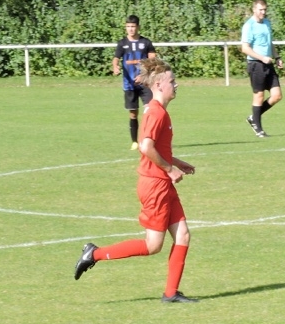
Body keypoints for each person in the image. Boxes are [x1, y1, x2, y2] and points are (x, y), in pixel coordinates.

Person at [74, 58, 198, 303]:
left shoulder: (159, 111)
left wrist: (177, 162)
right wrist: (169, 169)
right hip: (155, 186)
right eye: (172, 81)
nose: (176, 85)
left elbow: (156, 148)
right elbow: (145, 147)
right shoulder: (156, 112)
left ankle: (171, 293)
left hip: (162, 183)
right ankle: (94, 254)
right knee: (153, 245)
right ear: (159, 85)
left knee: (182, 235)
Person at [112, 15, 157, 149]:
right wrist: (115, 66)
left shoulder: (146, 42)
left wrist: (144, 74)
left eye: (133, 26)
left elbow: (153, 59)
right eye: (128, 26)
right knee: (133, 113)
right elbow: (116, 58)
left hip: (145, 83)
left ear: (138, 27)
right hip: (129, 84)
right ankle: (135, 141)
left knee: (149, 110)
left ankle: (149, 140)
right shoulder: (122, 43)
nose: (130, 29)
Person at [241, 0, 283, 137]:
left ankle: (253, 117)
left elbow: (269, 43)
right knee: (259, 96)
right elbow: (245, 48)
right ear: (254, 10)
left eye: (265, 10)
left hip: (268, 64)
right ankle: (258, 129)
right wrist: (262, 58)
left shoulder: (267, 23)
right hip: (256, 64)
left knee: (277, 96)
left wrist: (277, 57)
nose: (263, 12)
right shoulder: (249, 26)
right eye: (260, 10)